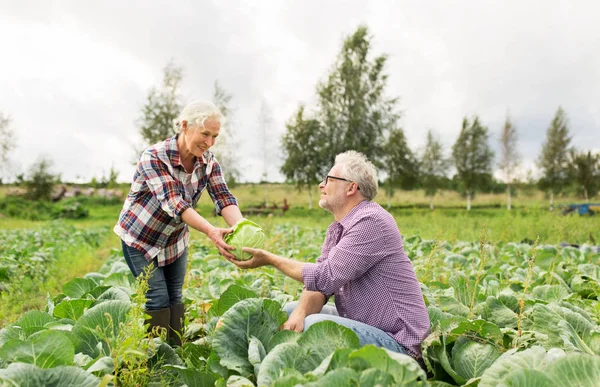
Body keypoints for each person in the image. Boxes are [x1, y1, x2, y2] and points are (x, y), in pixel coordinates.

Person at [230, 151, 430, 363]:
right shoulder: (337, 229)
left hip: (398, 344)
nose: (321, 185)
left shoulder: (372, 221)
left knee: (314, 325)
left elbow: (325, 276)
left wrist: (269, 259)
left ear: (351, 187)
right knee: (290, 312)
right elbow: (320, 288)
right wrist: (299, 312)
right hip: (368, 327)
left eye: (329, 179)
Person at [114, 100, 243, 345]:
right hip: (140, 238)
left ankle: (176, 353)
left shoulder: (208, 163)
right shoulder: (154, 157)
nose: (209, 142)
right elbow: (175, 203)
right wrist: (211, 231)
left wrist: (243, 228)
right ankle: (157, 359)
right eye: (205, 133)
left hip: (174, 240)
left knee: (175, 296)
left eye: (214, 136)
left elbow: (223, 197)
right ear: (184, 126)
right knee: (157, 297)